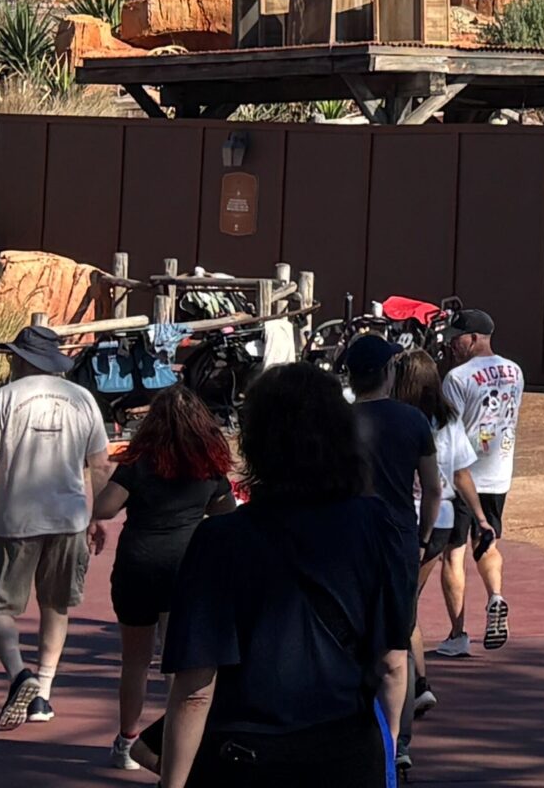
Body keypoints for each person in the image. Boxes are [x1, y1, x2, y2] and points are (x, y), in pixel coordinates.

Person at [159, 360, 413, 785]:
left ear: (257, 442)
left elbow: (195, 689)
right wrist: (382, 749)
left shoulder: (220, 539)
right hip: (345, 745)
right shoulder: (375, 523)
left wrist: (172, 783)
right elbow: (392, 663)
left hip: (248, 753)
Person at [0, 322, 111, 729]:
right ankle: (42, 691)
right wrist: (100, 516)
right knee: (56, 604)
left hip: (15, 520)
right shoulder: (83, 400)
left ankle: (18, 673)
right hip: (70, 519)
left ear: (22, 359)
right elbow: (100, 465)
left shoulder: (4, 398)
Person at [93, 384, 237, 770]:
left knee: (135, 661)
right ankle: (177, 742)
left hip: (138, 563)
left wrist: (101, 480)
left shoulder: (139, 462)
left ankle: (127, 740)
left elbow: (105, 508)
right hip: (186, 566)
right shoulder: (208, 467)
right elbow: (228, 517)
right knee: (179, 661)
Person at [344, 334, 442, 772]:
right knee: (396, 645)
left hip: (348, 540)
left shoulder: (339, 422)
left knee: (349, 639)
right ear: (388, 372)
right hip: (399, 537)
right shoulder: (413, 421)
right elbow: (434, 488)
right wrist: (421, 538)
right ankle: (397, 744)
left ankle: (352, 736)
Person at [396, 347, 485, 666]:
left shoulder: (400, 419)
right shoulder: (448, 419)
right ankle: (413, 675)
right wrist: (480, 516)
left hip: (409, 516)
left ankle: (411, 677)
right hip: (443, 517)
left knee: (403, 603)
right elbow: (462, 473)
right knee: (409, 596)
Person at [441, 309, 523, 649]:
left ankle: (458, 632)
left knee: (453, 553)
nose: (451, 345)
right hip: (498, 472)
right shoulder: (515, 372)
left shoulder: (457, 378)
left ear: (474, 338)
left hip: (464, 476)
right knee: (487, 540)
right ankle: (496, 596)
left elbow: (451, 431)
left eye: (456, 338)